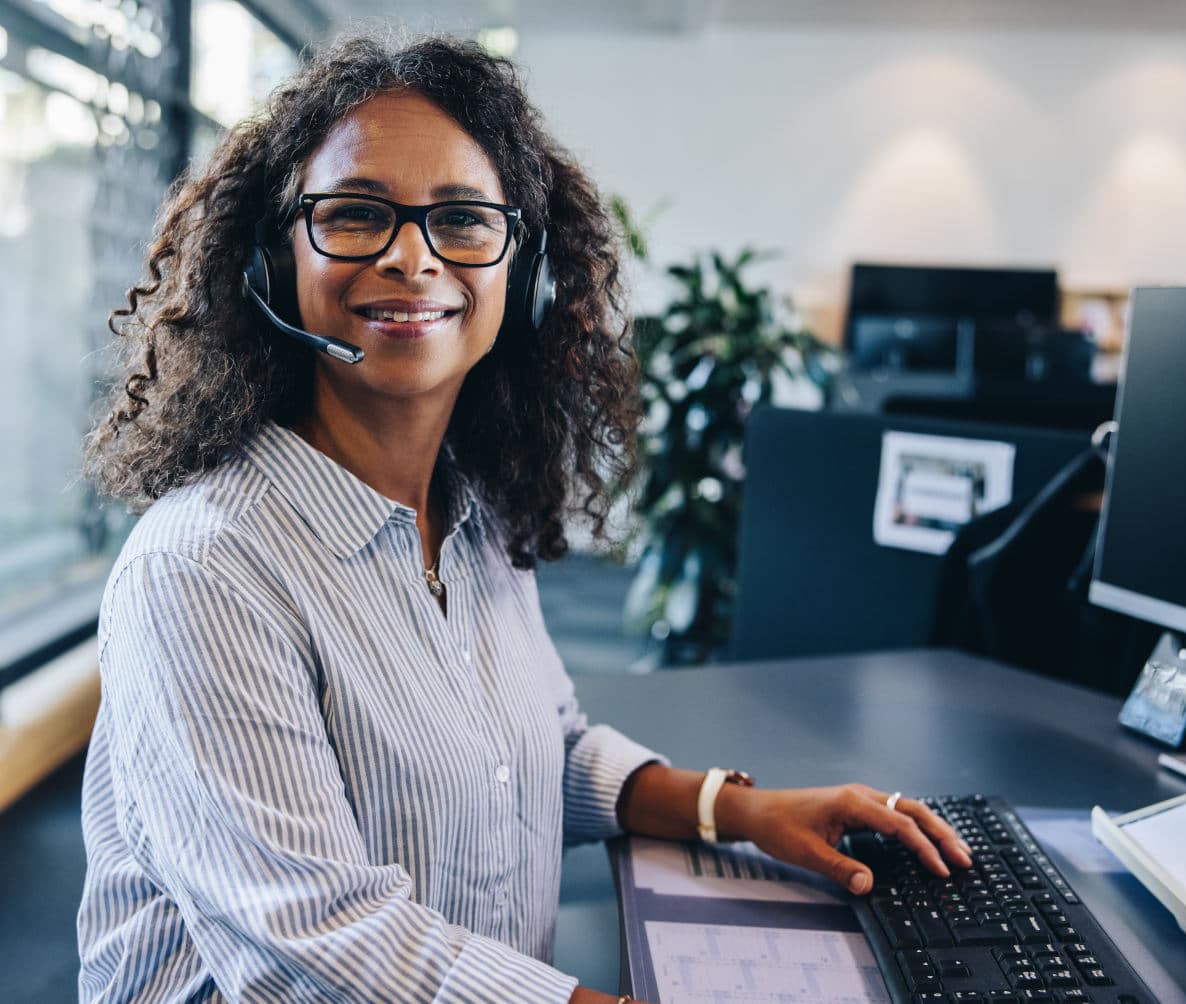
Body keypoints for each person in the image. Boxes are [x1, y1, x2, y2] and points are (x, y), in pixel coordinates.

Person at [77, 34, 971, 1003]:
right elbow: (318, 944)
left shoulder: (473, 511)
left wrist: (742, 810)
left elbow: (539, 754)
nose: (411, 256)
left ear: (523, 271)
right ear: (270, 258)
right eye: (356, 214)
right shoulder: (205, 569)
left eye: (462, 220)